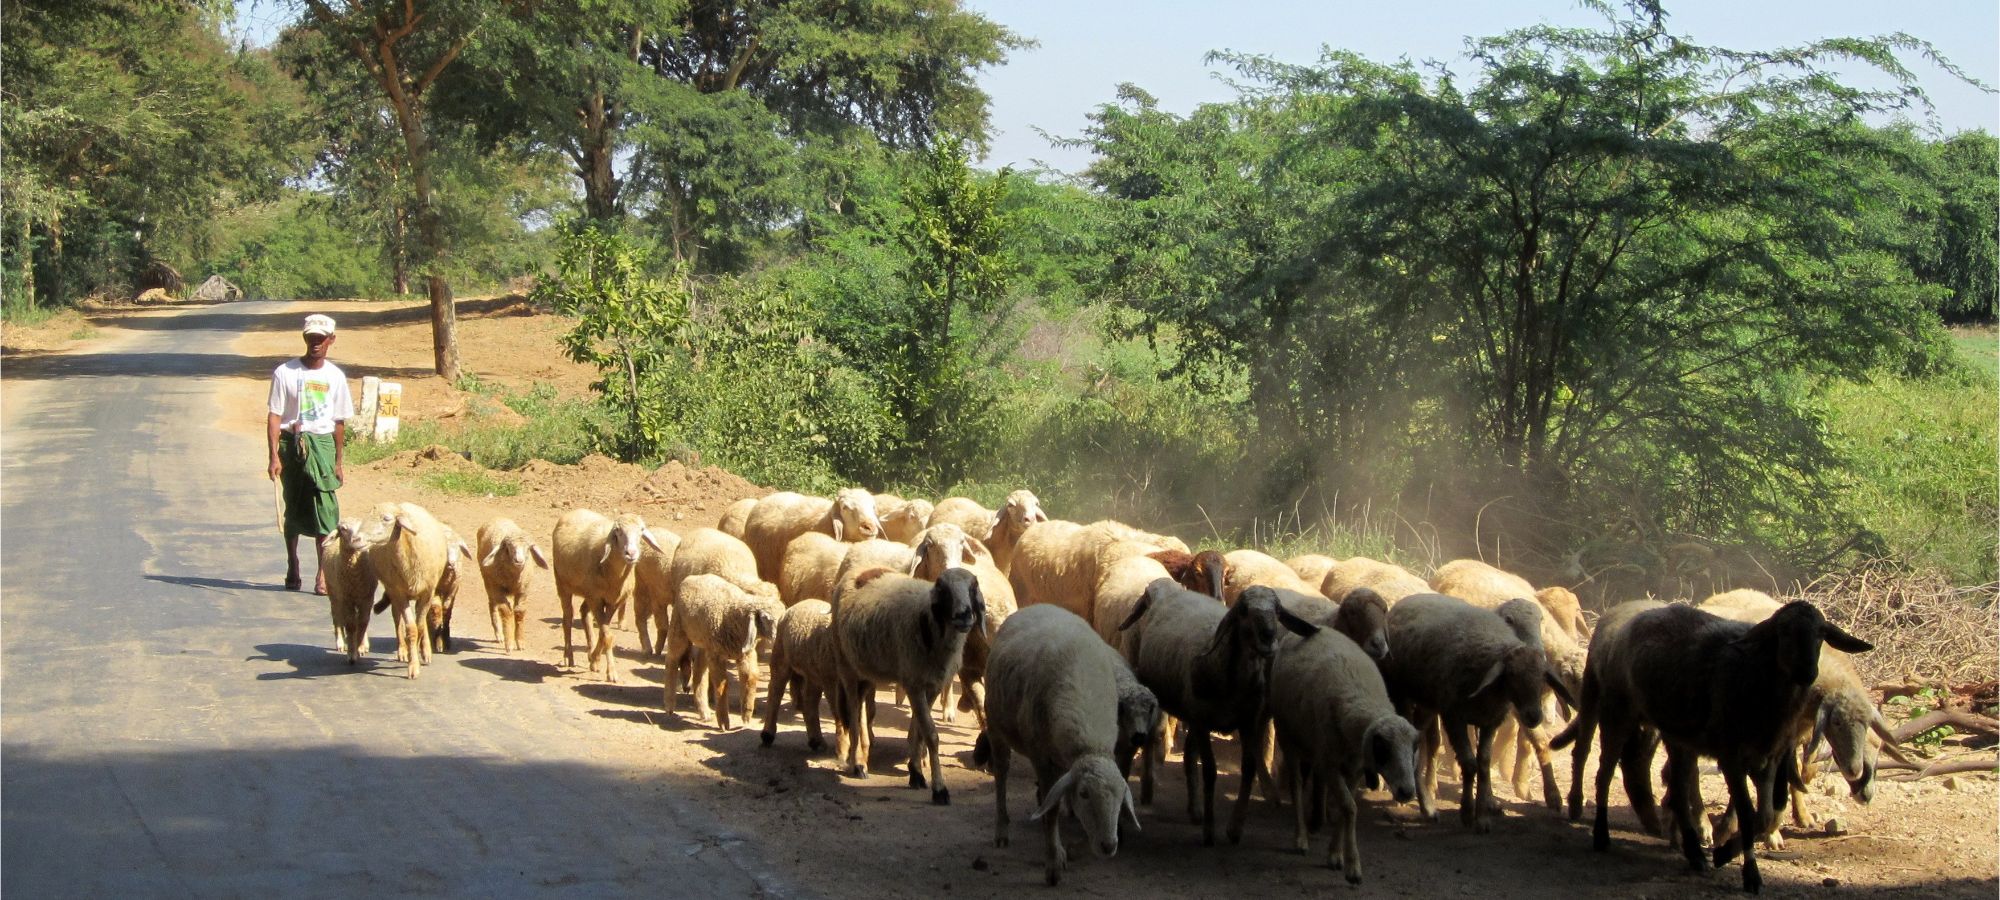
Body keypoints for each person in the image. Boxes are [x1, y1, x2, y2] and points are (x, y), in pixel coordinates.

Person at [268, 314, 354, 593]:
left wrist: (339, 462)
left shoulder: (335, 377)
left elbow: (339, 422)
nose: (315, 343)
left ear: (331, 340)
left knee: (325, 510)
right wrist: (273, 456)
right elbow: (274, 415)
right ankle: (292, 564)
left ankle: (323, 573)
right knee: (293, 505)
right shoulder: (285, 372)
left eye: (321, 338)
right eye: (310, 338)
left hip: (323, 446)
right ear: (304, 338)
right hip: (291, 443)